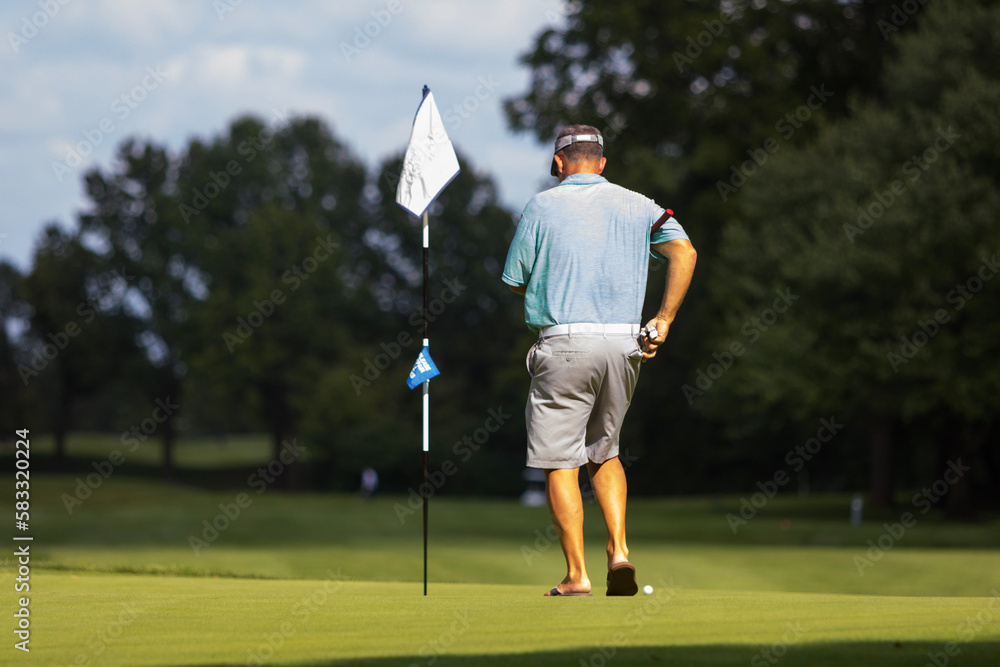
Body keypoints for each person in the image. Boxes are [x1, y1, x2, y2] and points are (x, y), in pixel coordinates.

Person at [502, 125, 697, 596]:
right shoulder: (641, 205)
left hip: (566, 341)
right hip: (624, 344)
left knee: (559, 462)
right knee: (604, 451)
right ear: (603, 163)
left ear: (558, 163)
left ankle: (577, 574)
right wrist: (664, 319)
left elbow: (514, 279)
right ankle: (620, 551)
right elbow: (684, 251)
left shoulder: (541, 205)